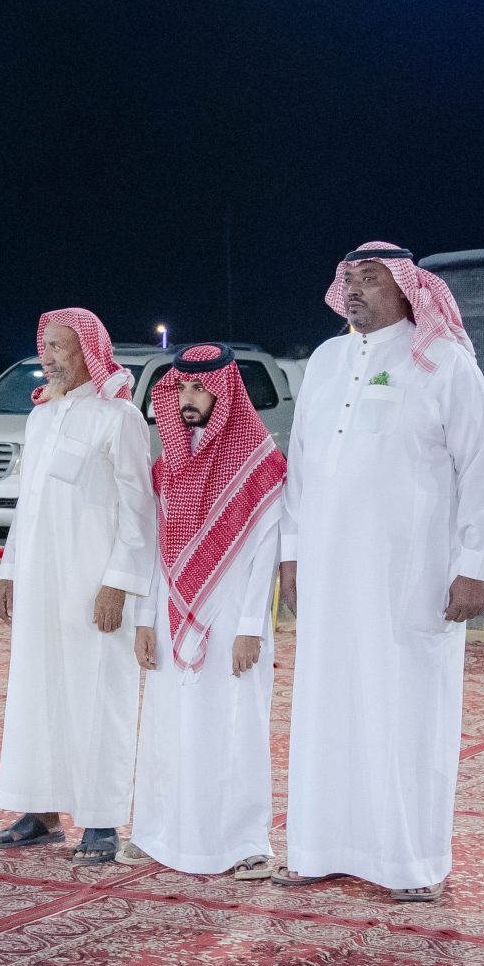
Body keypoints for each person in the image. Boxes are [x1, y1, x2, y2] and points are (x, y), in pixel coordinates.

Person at [276, 243, 484, 902]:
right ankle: (319, 846)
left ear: (406, 289)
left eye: (369, 279)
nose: (353, 289)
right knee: (326, 702)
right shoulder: (325, 360)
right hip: (327, 569)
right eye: (348, 277)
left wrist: (471, 567)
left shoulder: (444, 362)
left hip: (410, 575)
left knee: (405, 707)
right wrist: (291, 553)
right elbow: (301, 466)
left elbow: (478, 469)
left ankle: (411, 860)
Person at [0, 308, 156, 863]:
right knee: (37, 693)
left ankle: (101, 820)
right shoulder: (41, 418)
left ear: (89, 351)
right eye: (46, 346)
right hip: (40, 580)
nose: (49, 356)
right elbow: (29, 504)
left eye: (60, 346)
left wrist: (118, 583)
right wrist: (10, 571)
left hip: (92, 584)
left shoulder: (119, 418)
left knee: (96, 696)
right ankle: (39, 811)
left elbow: (138, 507)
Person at [127, 346, 285, 878]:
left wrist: (250, 628)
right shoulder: (169, 461)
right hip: (171, 613)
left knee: (234, 726)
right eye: (181, 388)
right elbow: (156, 547)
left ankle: (245, 843)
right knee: (168, 725)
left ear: (224, 390)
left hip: (234, 616)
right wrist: (145, 619)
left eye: (199, 388)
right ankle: (160, 834)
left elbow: (265, 551)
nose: (188, 399)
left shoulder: (257, 460)